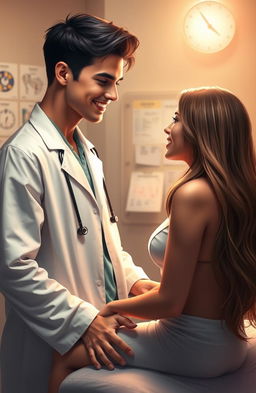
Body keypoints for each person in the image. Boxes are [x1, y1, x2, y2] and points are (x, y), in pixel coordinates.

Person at [48, 86, 256, 393]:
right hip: (227, 342)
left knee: (65, 353)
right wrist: (145, 295)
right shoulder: (235, 192)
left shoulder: (192, 194)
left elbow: (171, 303)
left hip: (192, 346)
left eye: (177, 119)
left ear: (204, 130)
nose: (168, 127)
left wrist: (106, 310)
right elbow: (203, 283)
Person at [0, 14, 159, 393]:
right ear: (63, 73)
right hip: (51, 343)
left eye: (117, 82)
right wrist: (82, 320)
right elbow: (12, 267)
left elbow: (105, 244)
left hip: (98, 340)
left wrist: (137, 283)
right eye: (103, 81)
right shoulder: (23, 154)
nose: (113, 95)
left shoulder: (86, 151)